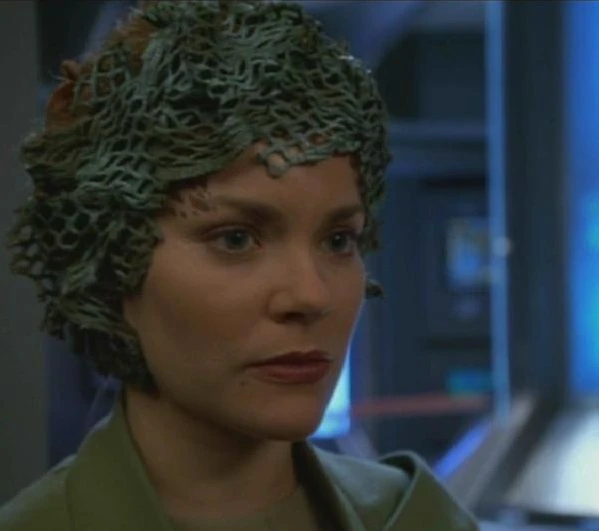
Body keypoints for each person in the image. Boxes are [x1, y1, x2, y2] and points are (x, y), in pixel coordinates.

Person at [0, 1, 480, 529]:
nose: (311, 295)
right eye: (236, 239)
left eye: (338, 240)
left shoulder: (416, 519)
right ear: (111, 266)